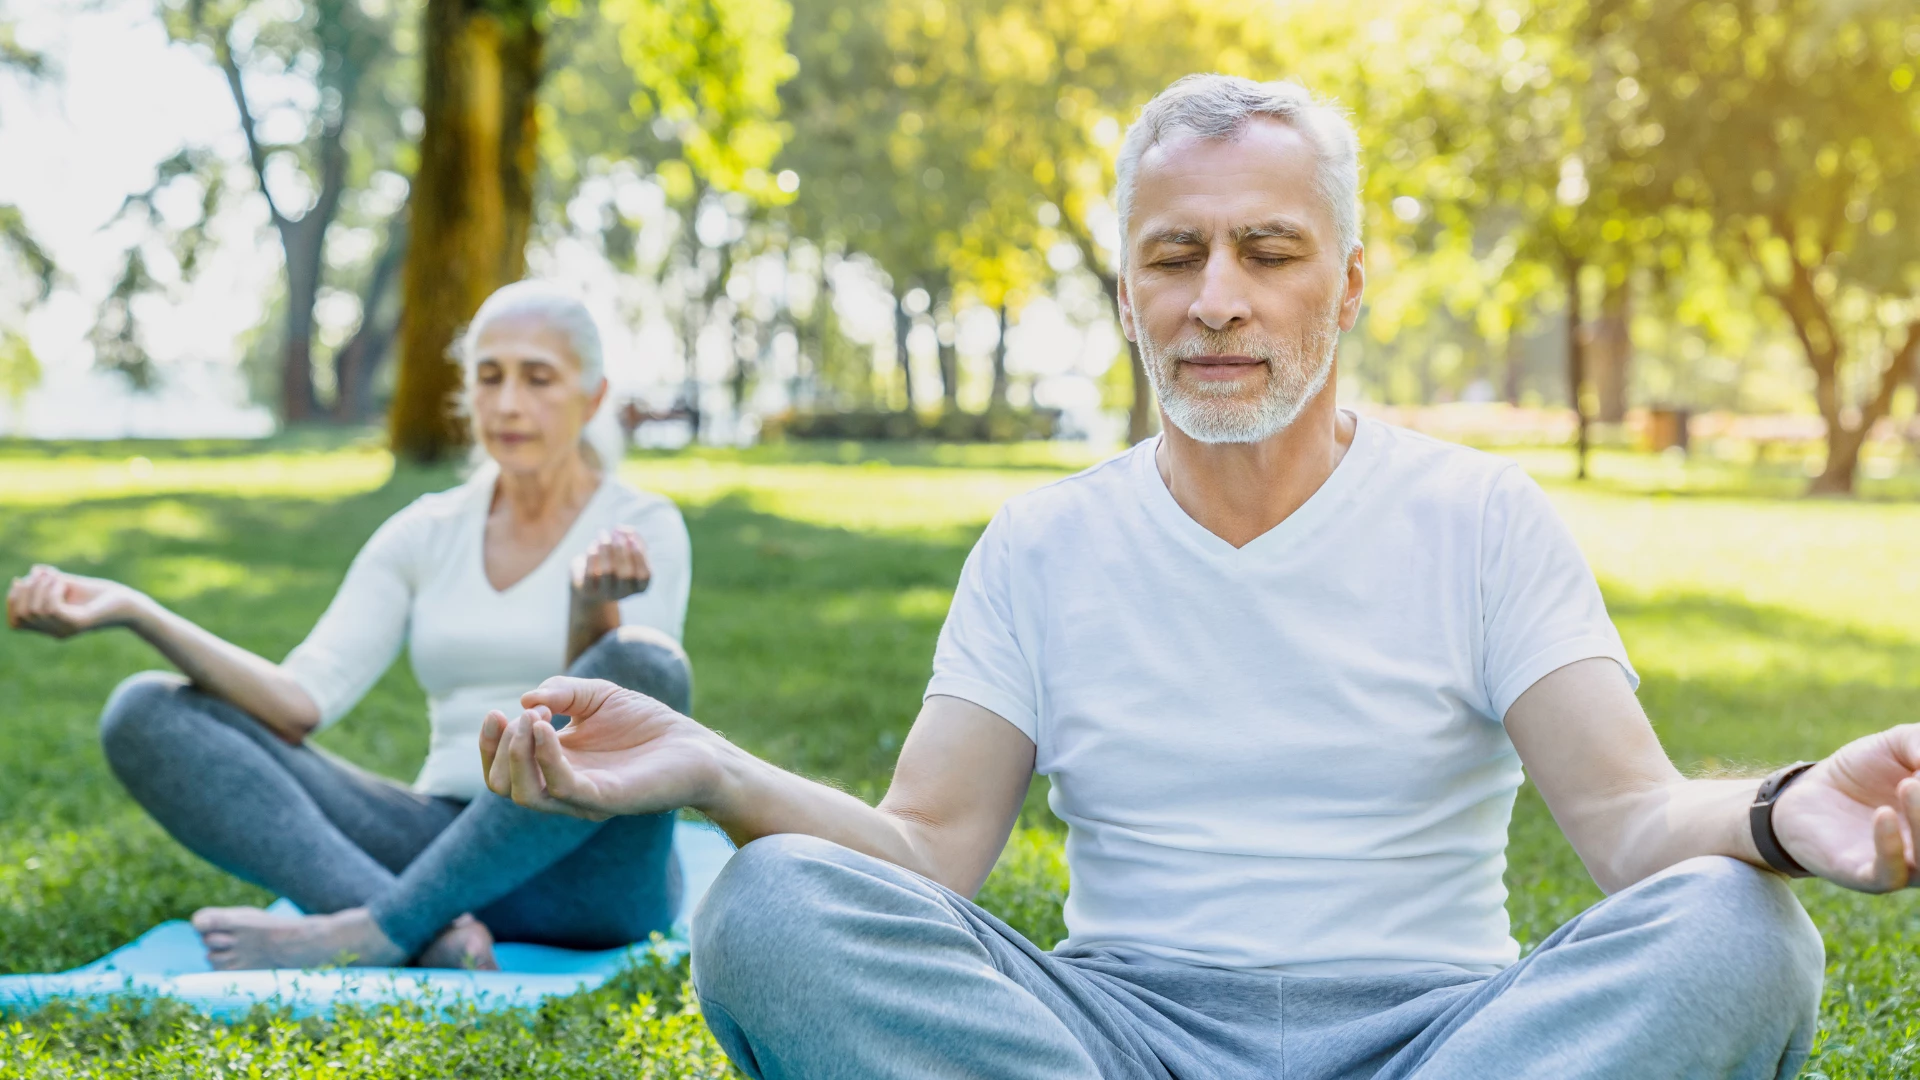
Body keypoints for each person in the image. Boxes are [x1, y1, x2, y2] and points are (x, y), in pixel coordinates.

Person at [477, 76, 1914, 1079]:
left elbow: (1630, 821)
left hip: (1446, 1040)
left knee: (1738, 928)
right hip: (1113, 1039)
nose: (1218, 294)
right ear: (1125, 295)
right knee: (772, 907)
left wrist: (1787, 812)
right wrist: (711, 768)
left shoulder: (1481, 516)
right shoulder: (1041, 547)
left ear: (1348, 285)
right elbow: (923, 858)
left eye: (1268, 251)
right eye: (1176, 255)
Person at [6, 281, 693, 971]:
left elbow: (623, 724)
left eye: (538, 378)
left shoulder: (642, 524)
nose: (509, 402)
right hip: (443, 851)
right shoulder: (424, 532)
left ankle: (376, 932)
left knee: (646, 661)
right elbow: (301, 699)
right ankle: (428, 938)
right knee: (145, 710)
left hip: (601, 879)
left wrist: (589, 609)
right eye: (490, 377)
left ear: (593, 396)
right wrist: (135, 609)